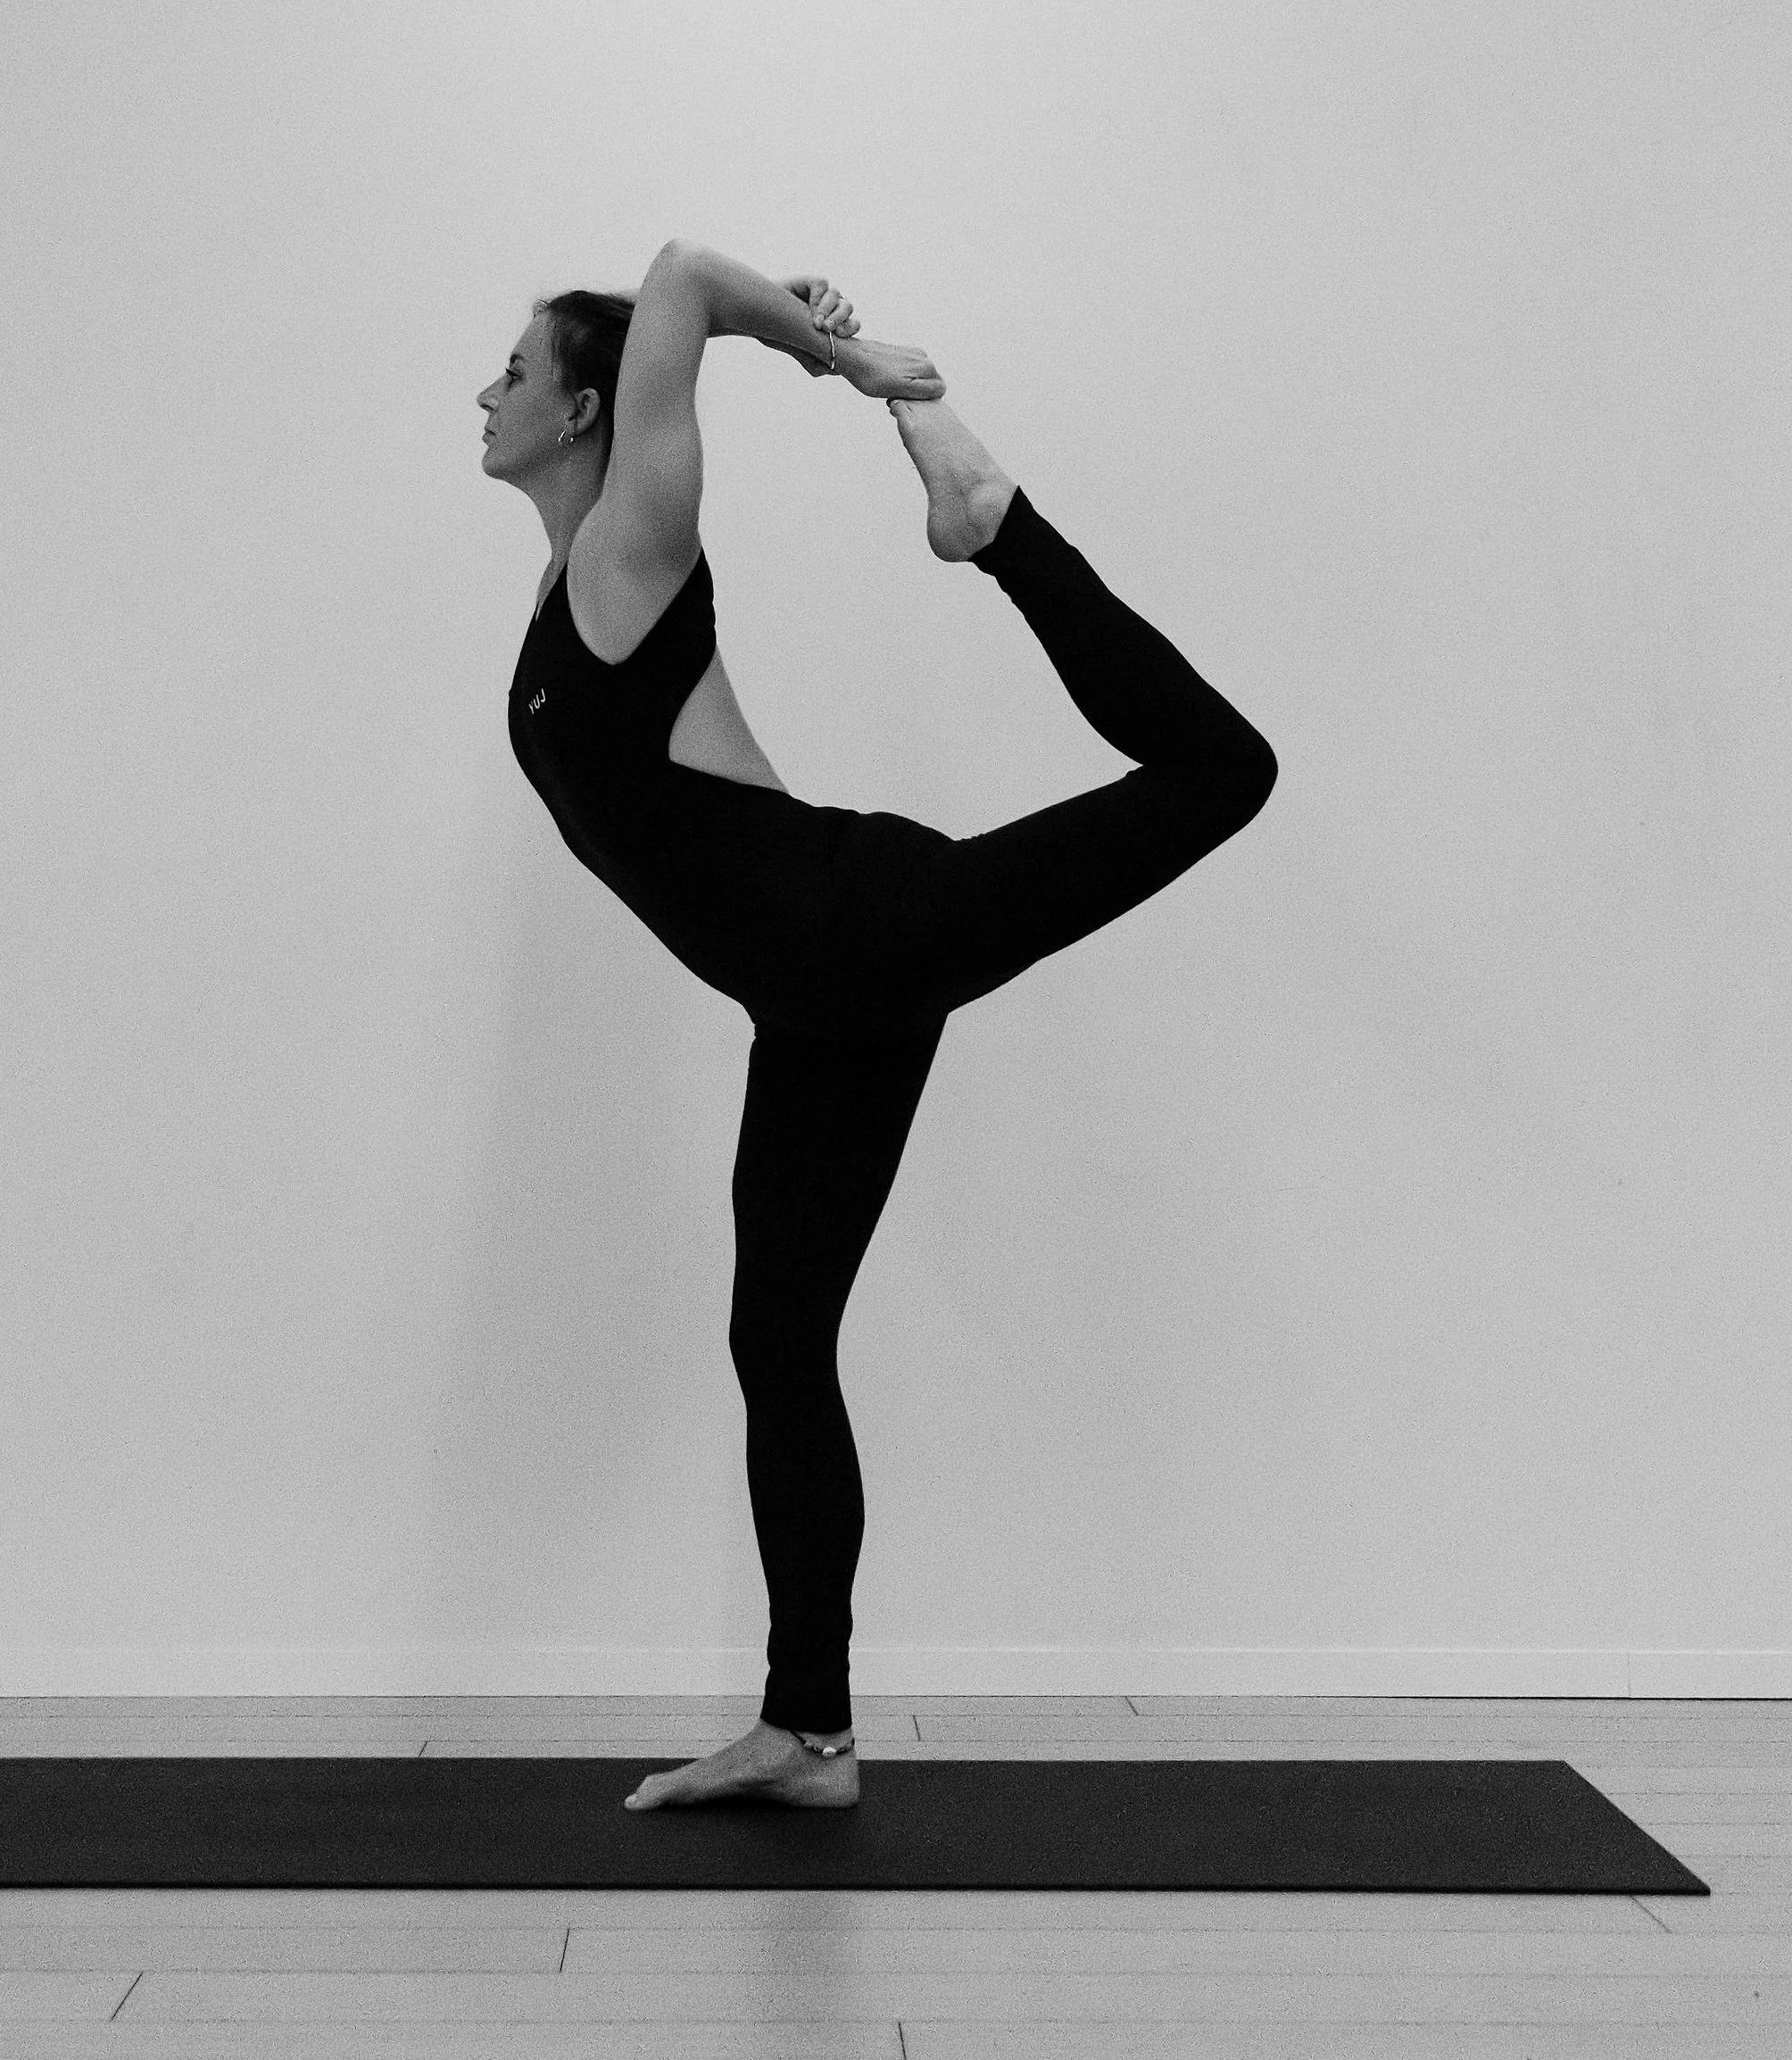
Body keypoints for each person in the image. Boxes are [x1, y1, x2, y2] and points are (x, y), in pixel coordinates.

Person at [479, 239, 1277, 1813]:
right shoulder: (571, 592)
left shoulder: (626, 556)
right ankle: (811, 1733)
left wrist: (837, 361)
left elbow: (684, 277)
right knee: (775, 1338)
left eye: (514, 370)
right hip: (818, 992)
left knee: (1221, 771)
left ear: (585, 408)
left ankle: (994, 527)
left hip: (864, 920)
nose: (487, 391)